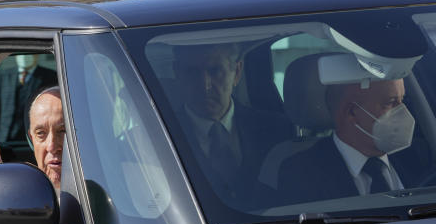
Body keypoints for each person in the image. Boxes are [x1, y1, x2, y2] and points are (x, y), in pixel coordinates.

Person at [172, 43, 293, 200]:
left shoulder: (278, 130)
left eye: (215, 71)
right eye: (192, 72)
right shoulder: (157, 138)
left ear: (236, 72)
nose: (205, 85)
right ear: (177, 73)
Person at [278, 77, 412, 202]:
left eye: (402, 100)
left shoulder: (422, 156)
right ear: (352, 112)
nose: (403, 111)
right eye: (390, 103)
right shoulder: (301, 174)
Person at [0, 87, 66, 189]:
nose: (51, 146)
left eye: (63, 131)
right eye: (41, 133)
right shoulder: (21, 194)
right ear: (32, 139)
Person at [0, 54, 57, 144]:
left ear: (37, 55)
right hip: (4, 137)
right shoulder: (4, 75)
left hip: (31, 139)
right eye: (20, 53)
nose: (24, 56)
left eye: (28, 53)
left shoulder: (50, 76)